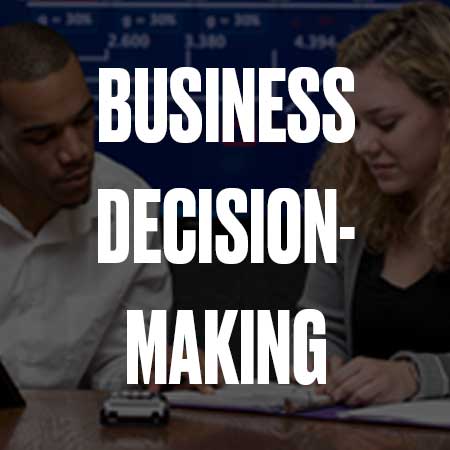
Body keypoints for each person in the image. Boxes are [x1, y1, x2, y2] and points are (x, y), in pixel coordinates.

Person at [0, 22, 175, 391]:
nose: (76, 152)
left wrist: (151, 370)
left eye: (83, 120)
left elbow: (118, 361)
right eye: (42, 137)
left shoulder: (129, 205)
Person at [299, 2, 450, 406]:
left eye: (386, 124)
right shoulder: (353, 206)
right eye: (354, 125)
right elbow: (321, 326)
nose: (363, 146)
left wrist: (415, 377)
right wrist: (320, 361)